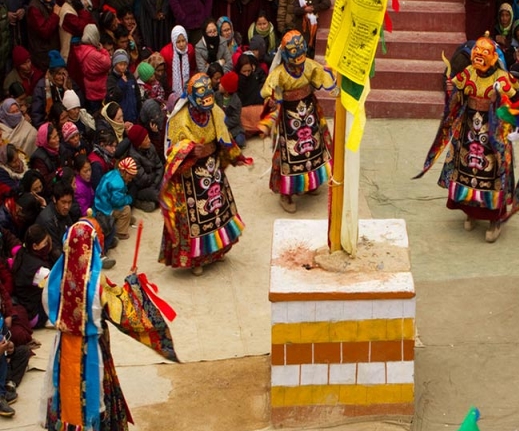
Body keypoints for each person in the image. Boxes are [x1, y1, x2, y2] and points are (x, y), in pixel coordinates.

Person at [42, 218, 133, 431]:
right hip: (92, 349)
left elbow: (49, 308)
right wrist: (131, 288)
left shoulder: (56, 277)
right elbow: (119, 311)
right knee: (93, 392)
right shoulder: (97, 283)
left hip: (65, 347)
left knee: (68, 390)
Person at [159, 73, 248, 276]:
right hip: (190, 175)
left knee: (217, 211)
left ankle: (217, 250)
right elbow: (172, 150)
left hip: (211, 167)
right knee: (195, 218)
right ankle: (196, 259)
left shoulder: (215, 111)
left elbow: (223, 136)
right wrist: (190, 150)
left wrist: (217, 149)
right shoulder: (179, 120)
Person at [260, 31, 338, 214]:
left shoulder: (310, 66)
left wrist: (335, 89)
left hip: (309, 113)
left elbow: (324, 77)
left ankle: (310, 183)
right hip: (289, 119)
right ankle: (286, 194)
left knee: (312, 148)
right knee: (290, 154)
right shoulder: (278, 75)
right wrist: (271, 105)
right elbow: (270, 93)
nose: (299, 59)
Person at [93, 156, 137, 241]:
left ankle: (124, 220)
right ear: (124, 172)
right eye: (130, 177)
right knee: (126, 209)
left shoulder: (113, 173)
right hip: (105, 209)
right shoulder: (118, 184)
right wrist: (129, 199)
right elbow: (117, 202)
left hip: (100, 203)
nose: (130, 180)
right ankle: (120, 232)